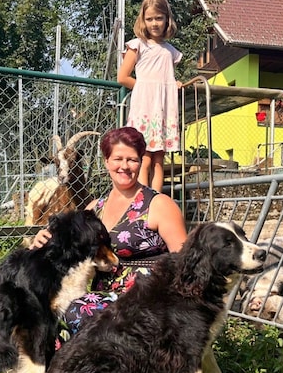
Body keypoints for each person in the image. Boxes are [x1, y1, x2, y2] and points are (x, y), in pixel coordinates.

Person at [31, 126, 187, 336]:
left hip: (147, 299)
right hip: (103, 297)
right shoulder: (95, 209)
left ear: (141, 162)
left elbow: (186, 262)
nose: (125, 166)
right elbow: (65, 250)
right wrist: (43, 242)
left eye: (132, 159)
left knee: (79, 310)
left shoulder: (159, 205)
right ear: (106, 161)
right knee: (47, 310)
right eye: (118, 159)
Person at [117, 0, 183, 192]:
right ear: (143, 20)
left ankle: (156, 199)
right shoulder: (137, 45)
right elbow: (123, 77)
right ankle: (142, 202)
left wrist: (173, 84)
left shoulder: (170, 51)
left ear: (166, 19)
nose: (154, 23)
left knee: (159, 161)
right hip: (145, 109)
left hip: (163, 111)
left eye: (159, 18)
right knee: (144, 159)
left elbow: (165, 78)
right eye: (150, 19)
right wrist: (147, 88)